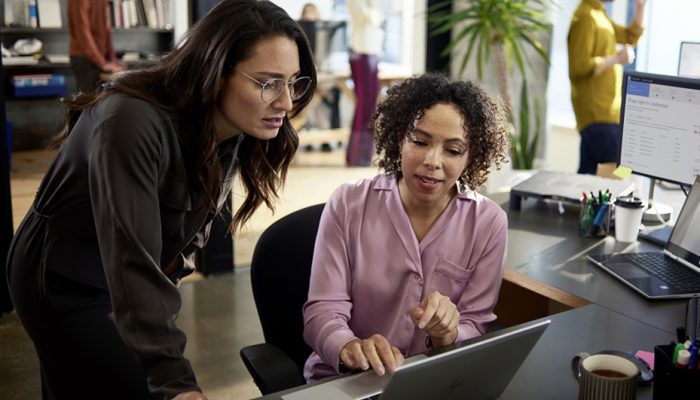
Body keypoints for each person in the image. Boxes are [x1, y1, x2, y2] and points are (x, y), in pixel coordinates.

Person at [6, 1, 316, 399]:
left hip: (122, 272)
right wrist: (176, 383)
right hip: (66, 278)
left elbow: (178, 239)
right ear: (214, 71)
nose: (287, 102)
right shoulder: (130, 119)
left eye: (293, 82)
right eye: (267, 82)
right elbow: (132, 259)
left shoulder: (230, 125)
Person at [302, 72, 511, 381]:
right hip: (350, 381)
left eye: (453, 150)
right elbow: (322, 311)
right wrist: (349, 347)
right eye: (419, 141)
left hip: (429, 382)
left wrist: (447, 334)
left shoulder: (488, 222)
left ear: (471, 156)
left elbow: (475, 325)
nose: (432, 160)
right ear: (400, 137)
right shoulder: (348, 203)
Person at [568, 0, 647, 174]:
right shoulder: (586, 17)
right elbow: (578, 66)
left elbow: (630, 36)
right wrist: (616, 59)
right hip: (598, 115)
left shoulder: (599, 15)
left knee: (588, 178)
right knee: (622, 169)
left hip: (606, 116)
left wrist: (640, 6)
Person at [345, 0, 384, 166]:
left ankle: (363, 155)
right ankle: (356, 156)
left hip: (372, 52)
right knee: (364, 107)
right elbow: (372, 18)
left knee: (370, 106)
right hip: (362, 52)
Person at [68, 0, 126, 92]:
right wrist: (102, 63)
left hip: (101, 59)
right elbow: (82, 33)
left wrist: (112, 59)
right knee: (89, 103)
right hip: (85, 59)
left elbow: (106, 27)